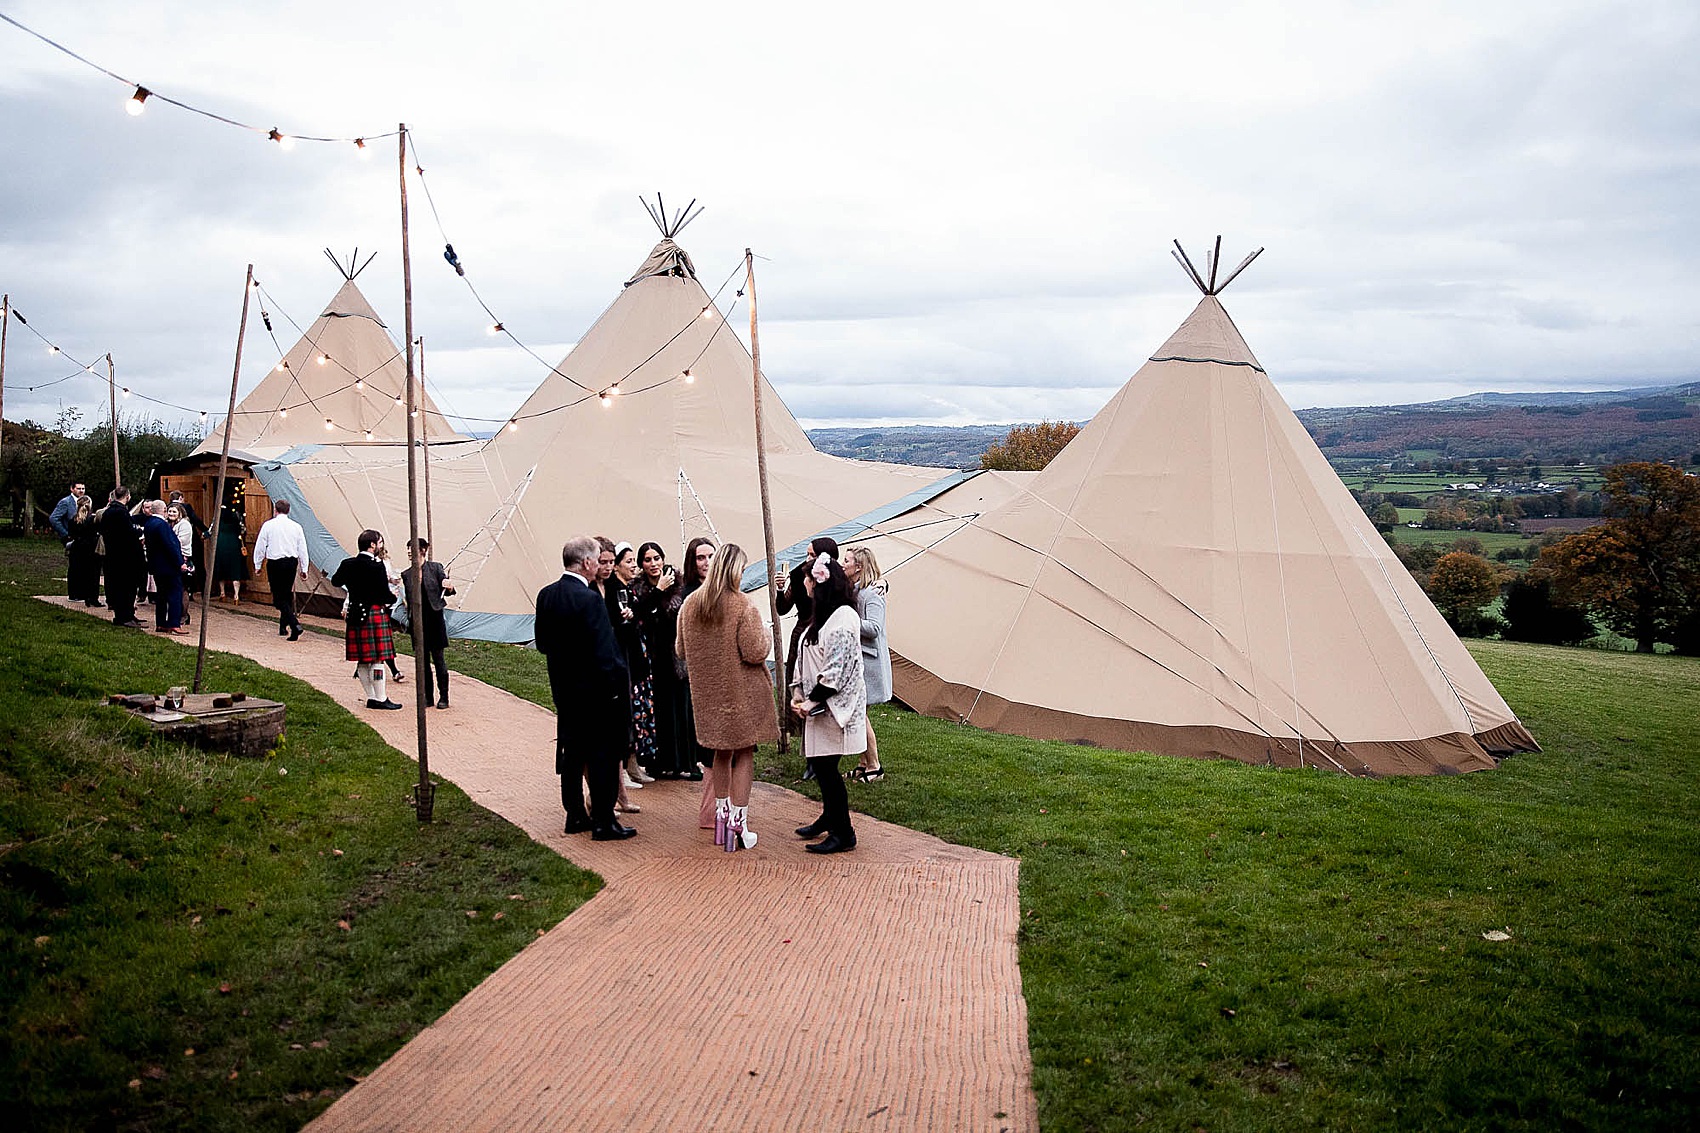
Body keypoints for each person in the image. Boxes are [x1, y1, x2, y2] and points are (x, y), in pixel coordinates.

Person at [676, 543, 780, 852]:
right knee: (744, 754)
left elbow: (681, 650)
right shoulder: (743, 605)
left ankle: (721, 821)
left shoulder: (691, 604)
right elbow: (754, 652)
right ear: (735, 570)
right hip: (741, 695)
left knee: (720, 754)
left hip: (707, 696)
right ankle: (740, 823)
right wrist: (765, 632)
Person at [536, 535, 635, 841]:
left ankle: (575, 814)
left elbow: (542, 644)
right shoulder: (590, 599)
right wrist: (618, 688)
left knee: (572, 754)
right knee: (602, 756)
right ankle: (604, 820)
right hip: (596, 694)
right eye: (596, 559)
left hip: (565, 690)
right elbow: (606, 653)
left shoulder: (546, 595)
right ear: (587, 562)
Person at [790, 554, 865, 854]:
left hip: (834, 708)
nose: (805, 584)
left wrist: (812, 700)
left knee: (827, 767)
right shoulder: (824, 614)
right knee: (822, 766)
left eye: (809, 579)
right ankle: (830, 817)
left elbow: (837, 669)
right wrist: (799, 693)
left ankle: (843, 832)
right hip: (819, 705)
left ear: (821, 583)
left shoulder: (844, 620)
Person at [633, 540, 693, 779]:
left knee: (679, 708)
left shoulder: (676, 583)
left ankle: (682, 762)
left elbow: (677, 617)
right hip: (651, 655)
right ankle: (659, 761)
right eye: (648, 560)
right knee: (658, 710)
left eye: (657, 558)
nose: (653, 564)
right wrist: (657, 594)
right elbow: (643, 618)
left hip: (675, 654)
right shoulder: (638, 589)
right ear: (641, 564)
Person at [330, 530, 403, 710]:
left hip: (355, 614)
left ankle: (371, 697)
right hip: (373, 613)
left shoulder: (348, 564)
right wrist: (393, 597)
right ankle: (381, 698)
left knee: (363, 660)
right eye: (379, 542)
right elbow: (382, 593)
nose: (380, 546)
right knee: (377, 659)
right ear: (372, 545)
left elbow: (336, 582)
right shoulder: (377, 566)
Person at [607, 542, 658, 790]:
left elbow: (641, 613)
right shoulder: (613, 589)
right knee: (628, 715)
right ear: (616, 565)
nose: (634, 567)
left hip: (637, 656)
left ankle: (634, 764)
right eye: (629, 562)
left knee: (637, 715)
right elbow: (620, 621)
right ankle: (624, 769)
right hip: (624, 657)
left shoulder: (629, 588)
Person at [844, 545, 891, 782]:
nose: (844, 565)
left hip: (869, 663)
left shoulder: (872, 595)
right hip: (860, 661)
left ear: (859, 567)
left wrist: (848, 619)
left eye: (847, 561)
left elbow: (874, 627)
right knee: (859, 712)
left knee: (859, 712)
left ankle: (874, 766)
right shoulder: (857, 590)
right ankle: (864, 762)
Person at [775, 535, 839, 687]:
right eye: (807, 554)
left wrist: (882, 583)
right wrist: (780, 589)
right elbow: (782, 609)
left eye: (813, 555)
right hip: (802, 631)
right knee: (795, 680)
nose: (808, 559)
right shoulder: (798, 574)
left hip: (826, 635)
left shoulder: (837, 579)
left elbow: (860, 585)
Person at [402, 537, 455, 709]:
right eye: (408, 548)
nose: (410, 552)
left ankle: (444, 697)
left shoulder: (435, 568)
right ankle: (428, 697)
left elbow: (448, 590)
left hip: (434, 619)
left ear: (423, 550)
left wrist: (449, 586)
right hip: (417, 622)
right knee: (422, 662)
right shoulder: (406, 574)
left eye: (413, 548)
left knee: (439, 660)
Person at [253, 499, 309, 640]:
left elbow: (260, 546)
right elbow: (302, 548)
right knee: (286, 594)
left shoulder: (268, 526)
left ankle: (294, 624)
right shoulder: (296, 527)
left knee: (278, 598)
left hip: (275, 563)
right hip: (291, 563)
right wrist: (304, 567)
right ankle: (283, 627)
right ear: (288, 511)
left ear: (275, 510)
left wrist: (257, 564)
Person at [141, 500, 191, 635]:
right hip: (168, 566)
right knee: (175, 593)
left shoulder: (149, 523)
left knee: (161, 595)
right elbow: (171, 545)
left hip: (156, 565)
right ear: (163, 510)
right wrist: (180, 562)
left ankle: (161, 622)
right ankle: (174, 623)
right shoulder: (162, 525)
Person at [99, 487, 146, 627]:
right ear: (127, 496)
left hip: (113, 554)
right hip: (125, 556)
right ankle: (124, 617)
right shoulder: (121, 512)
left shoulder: (108, 512)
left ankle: (129, 614)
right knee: (126, 587)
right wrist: (138, 532)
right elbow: (128, 533)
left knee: (122, 586)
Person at [49, 481, 86, 597]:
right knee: (74, 565)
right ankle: (74, 593)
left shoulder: (84, 502)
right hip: (70, 537)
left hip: (81, 538)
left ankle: (80, 591)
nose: (81, 491)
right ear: (72, 489)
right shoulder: (65, 502)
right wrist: (65, 534)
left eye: (83, 488)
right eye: (79, 488)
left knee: (80, 565)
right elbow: (54, 518)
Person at [67, 494, 103, 607]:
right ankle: (93, 598)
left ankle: (83, 595)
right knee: (94, 574)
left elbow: (71, 534)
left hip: (78, 548)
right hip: (91, 548)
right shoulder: (92, 520)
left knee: (81, 572)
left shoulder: (73, 520)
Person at [167, 503, 196, 625]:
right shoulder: (168, 524)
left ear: (180, 513)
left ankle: (183, 615)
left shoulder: (184, 525)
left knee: (183, 588)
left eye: (174, 512)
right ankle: (175, 614)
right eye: (169, 511)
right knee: (173, 588)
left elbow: (179, 541)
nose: (171, 514)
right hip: (171, 559)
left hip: (183, 558)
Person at [212, 503, 247, 601]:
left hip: (221, 544)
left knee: (221, 570)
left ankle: (222, 594)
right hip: (234, 544)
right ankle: (236, 595)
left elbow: (211, 530)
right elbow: (243, 530)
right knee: (235, 569)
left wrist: (205, 534)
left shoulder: (218, 515)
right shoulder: (236, 515)